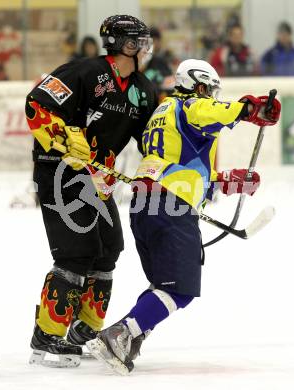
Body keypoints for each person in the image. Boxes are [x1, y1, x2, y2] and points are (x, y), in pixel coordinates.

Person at [87, 59, 281, 375]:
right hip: (170, 207)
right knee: (180, 289)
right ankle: (119, 335)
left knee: (163, 285)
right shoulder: (190, 106)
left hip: (145, 205)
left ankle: (132, 337)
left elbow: (178, 164)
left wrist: (226, 179)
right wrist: (248, 110)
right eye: (211, 91)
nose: (213, 98)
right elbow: (210, 112)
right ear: (199, 85)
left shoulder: (161, 113)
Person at [25, 14, 157, 368]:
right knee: (76, 252)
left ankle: (84, 331)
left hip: (98, 181)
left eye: (143, 40)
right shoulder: (83, 72)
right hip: (59, 172)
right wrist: (64, 138)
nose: (142, 47)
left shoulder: (143, 90)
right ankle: (47, 337)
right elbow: (37, 104)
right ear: (116, 43)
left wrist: (160, 169)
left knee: (108, 249)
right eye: (134, 40)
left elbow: (153, 140)